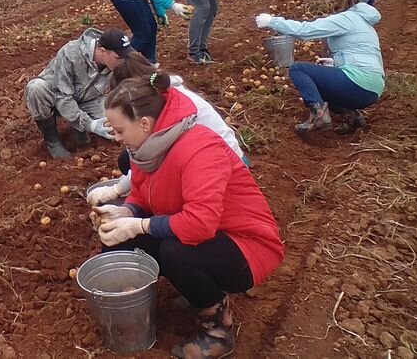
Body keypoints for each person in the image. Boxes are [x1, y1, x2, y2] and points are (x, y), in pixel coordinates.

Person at [92, 75, 284, 358]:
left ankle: (217, 328)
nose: (117, 138)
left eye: (120, 130)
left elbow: (200, 225)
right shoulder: (146, 148)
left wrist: (140, 224)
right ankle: (150, 299)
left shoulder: (200, 148)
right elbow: (143, 193)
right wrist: (125, 211)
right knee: (116, 237)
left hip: (245, 246)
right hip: (200, 231)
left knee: (176, 252)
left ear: (144, 124)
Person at [87, 53, 248, 206]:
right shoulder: (159, 98)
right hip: (215, 156)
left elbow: (156, 157)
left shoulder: (172, 110)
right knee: (126, 159)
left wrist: (118, 190)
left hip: (228, 166)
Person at [256, 0, 384, 135]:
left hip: (357, 83)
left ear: (334, 2)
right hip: (373, 89)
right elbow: (361, 53)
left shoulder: (344, 19)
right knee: (319, 81)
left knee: (298, 69)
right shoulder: (363, 21)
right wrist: (337, 62)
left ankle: (319, 116)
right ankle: (352, 117)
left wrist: (273, 21)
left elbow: (305, 31)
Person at [25, 28, 132, 158]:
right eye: (118, 57)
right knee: (36, 88)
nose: (123, 61)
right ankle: (52, 140)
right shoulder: (71, 53)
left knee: (111, 119)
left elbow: (137, 76)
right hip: (56, 96)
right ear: (102, 51)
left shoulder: (116, 57)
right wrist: (90, 124)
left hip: (88, 99)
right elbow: (63, 96)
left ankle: (77, 129)